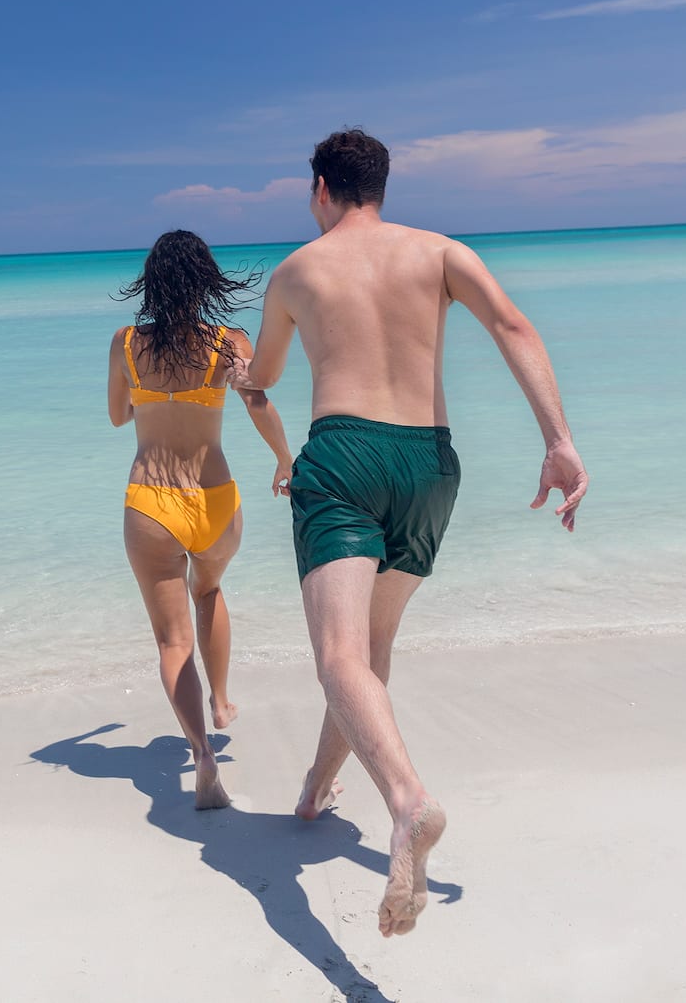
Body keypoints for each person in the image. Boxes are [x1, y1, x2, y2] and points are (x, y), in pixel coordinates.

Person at [235, 129, 588, 936]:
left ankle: (407, 801)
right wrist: (558, 441)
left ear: (322, 187)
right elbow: (513, 327)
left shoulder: (297, 271)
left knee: (337, 656)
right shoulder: (441, 252)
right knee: (368, 653)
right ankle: (318, 787)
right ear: (380, 188)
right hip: (430, 463)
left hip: (345, 457)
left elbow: (271, 376)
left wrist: (244, 374)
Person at [109, 230, 293, 809]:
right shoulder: (227, 342)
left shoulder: (126, 342)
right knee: (209, 590)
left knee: (171, 640)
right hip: (215, 500)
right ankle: (220, 700)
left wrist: (152, 395)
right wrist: (286, 460)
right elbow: (259, 402)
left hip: (151, 503)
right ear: (206, 278)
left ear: (152, 281)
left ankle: (202, 755)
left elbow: (118, 417)